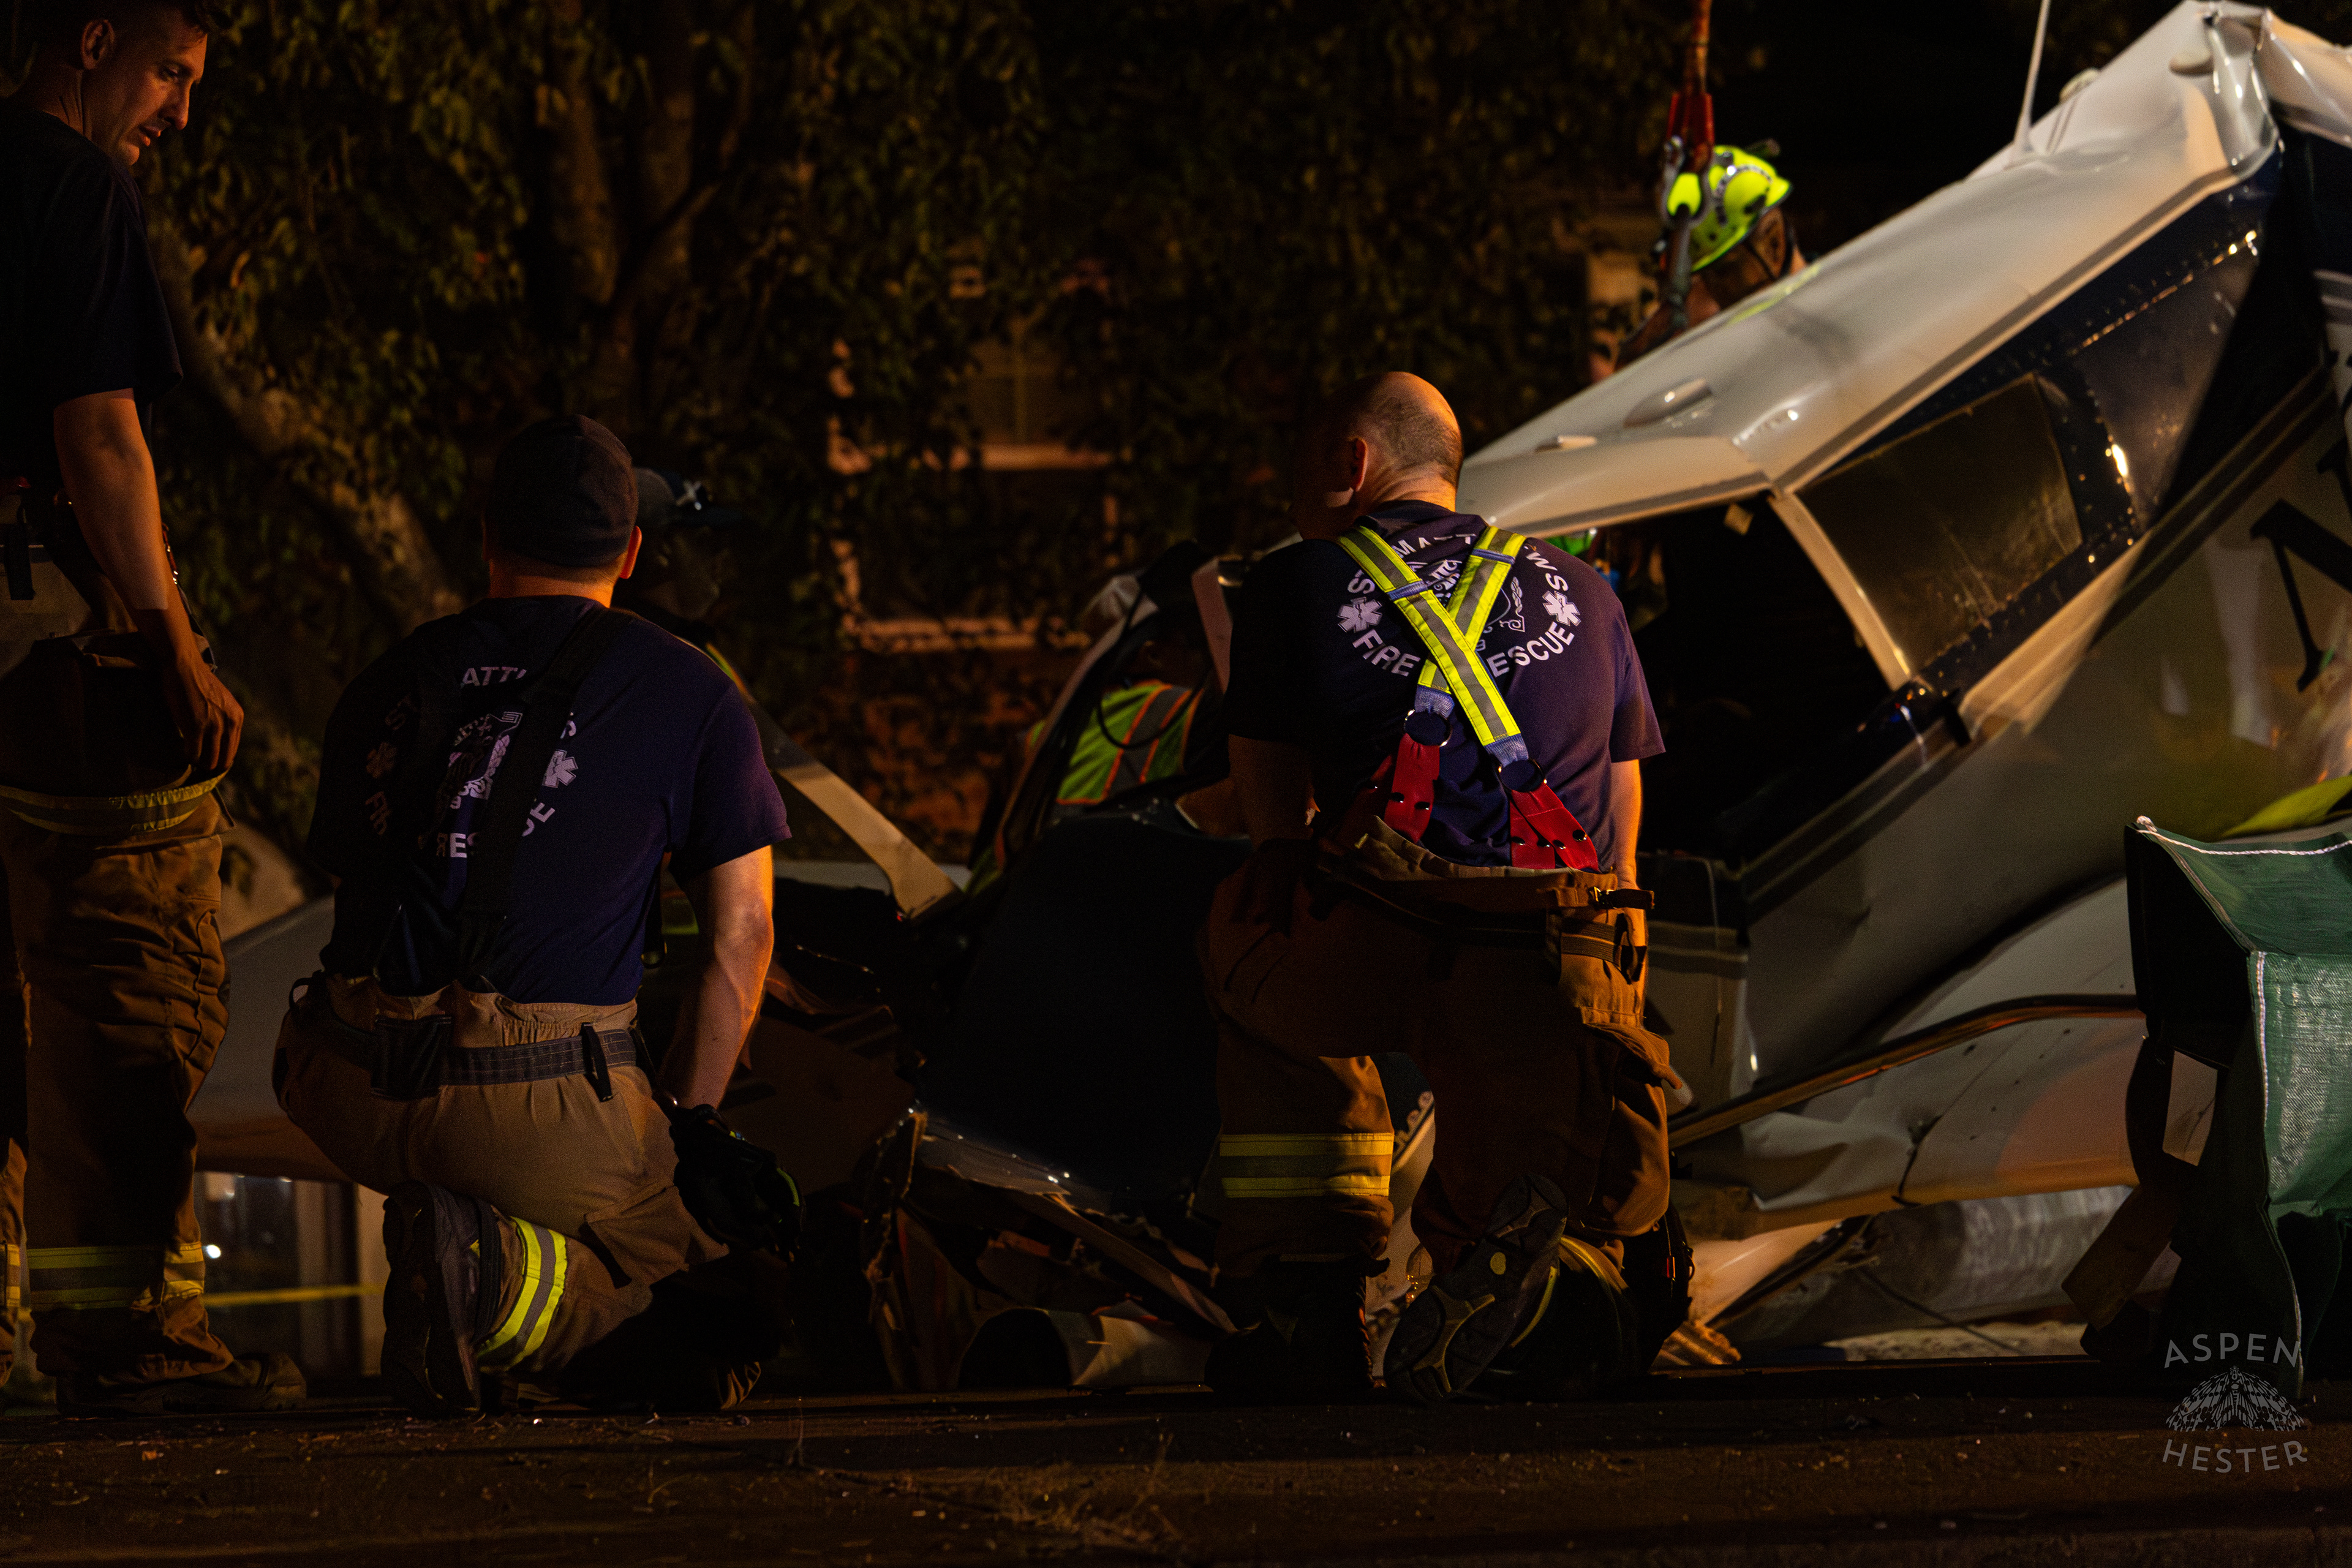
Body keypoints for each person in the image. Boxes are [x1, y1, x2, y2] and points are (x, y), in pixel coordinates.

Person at [277, 415, 795, 1414]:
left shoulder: (389, 677)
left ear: (487, 536)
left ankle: (472, 1255)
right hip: (537, 1104)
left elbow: (358, 875)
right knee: (734, 1277)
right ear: (635, 552)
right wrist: (689, 1125)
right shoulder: (691, 693)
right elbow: (743, 934)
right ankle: (498, 1281)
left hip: (344, 1081)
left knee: (545, 1195)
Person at [1200, 372, 1679, 1404]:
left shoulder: (1295, 584)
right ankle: (1546, 1282)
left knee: (1248, 935)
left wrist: (1280, 855)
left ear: (1351, 462)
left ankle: (1305, 1286)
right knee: (1521, 1164)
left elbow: (1269, 792)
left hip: (1404, 930)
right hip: (1566, 949)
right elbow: (1624, 796)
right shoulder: (1586, 590)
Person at [0, 0, 301, 1417]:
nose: (180, 112)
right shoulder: (73, 184)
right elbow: (100, 431)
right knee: (125, 986)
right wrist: (168, 644)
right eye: (172, 72)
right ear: (92, 34)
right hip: (27, 645)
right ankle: (126, 1342)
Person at [1615, 145, 1803, 369]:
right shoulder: (1736, 351)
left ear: (1774, 245)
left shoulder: (1836, 323)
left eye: (1724, 270)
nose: (1714, 288)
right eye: (1705, 275)